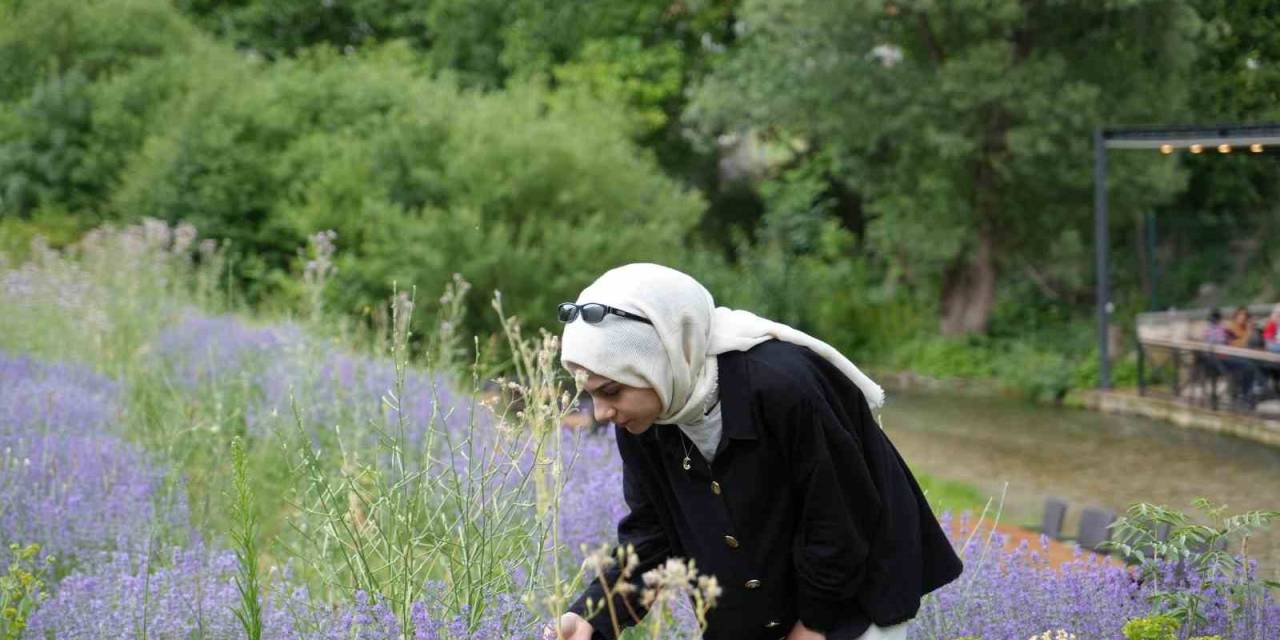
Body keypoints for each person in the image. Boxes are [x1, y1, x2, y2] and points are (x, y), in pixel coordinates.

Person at [545, 264, 962, 640]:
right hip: (756, 616)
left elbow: (840, 518)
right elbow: (652, 534)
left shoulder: (783, 385)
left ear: (661, 359)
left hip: (854, 605)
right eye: (591, 395)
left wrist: (814, 625)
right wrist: (592, 616)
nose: (600, 413)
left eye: (611, 391)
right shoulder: (648, 414)